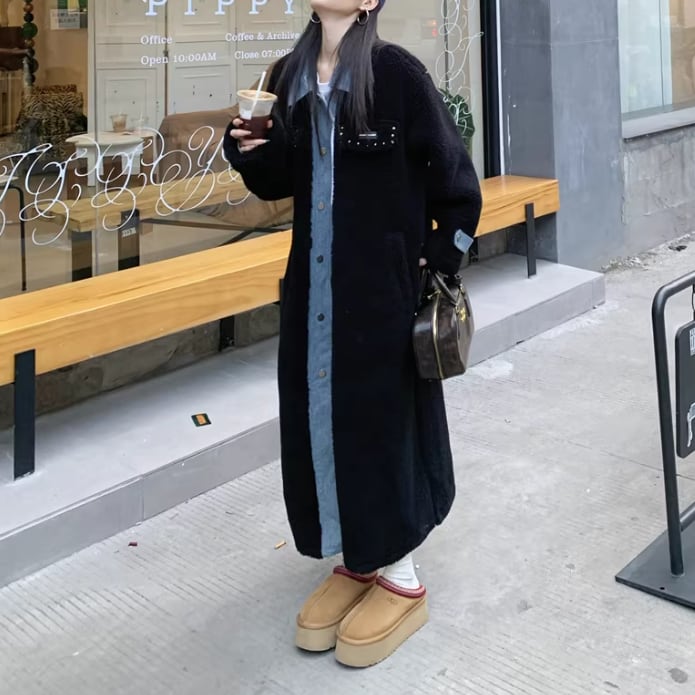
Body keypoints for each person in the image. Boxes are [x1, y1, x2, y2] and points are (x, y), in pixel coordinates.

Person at [223, 0, 482, 668]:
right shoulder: (288, 75)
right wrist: (247, 147)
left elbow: (458, 187)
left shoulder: (396, 75)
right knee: (320, 422)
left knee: (379, 424)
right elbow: (278, 180)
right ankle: (357, 557)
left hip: (380, 301)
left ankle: (400, 574)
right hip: (312, 294)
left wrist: (433, 260)